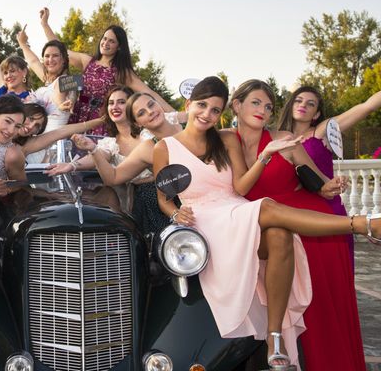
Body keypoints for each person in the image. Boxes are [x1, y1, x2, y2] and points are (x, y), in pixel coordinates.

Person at [153, 76, 379, 370]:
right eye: (202, 105)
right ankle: (360, 225)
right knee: (269, 209)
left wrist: (264, 157)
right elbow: (163, 197)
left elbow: (242, 188)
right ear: (188, 104)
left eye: (214, 109)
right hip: (205, 220)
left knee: (280, 237)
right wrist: (174, 213)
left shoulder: (225, 138)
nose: (207, 114)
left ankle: (275, 337)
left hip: (235, 208)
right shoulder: (164, 148)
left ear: (223, 112)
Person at [231, 79, 366, 371]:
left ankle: (321, 361)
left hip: (303, 217)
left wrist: (331, 186)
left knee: (317, 295)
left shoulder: (285, 138)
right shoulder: (225, 140)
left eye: (268, 106)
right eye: (256, 102)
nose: (263, 111)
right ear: (236, 105)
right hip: (254, 222)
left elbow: (319, 183)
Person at [278, 85, 381, 266]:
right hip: (293, 211)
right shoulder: (277, 137)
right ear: (291, 104)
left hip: (325, 208)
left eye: (311, 104)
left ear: (316, 114)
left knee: (330, 267)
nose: (303, 105)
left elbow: (367, 106)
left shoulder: (322, 131)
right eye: (299, 100)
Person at [39, 7, 177, 135]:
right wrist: (45, 24)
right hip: (78, 114)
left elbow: (149, 92)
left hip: (101, 119)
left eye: (111, 41)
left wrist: (176, 114)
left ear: (118, 47)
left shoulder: (122, 72)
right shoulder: (87, 61)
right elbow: (60, 49)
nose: (105, 43)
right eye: (104, 39)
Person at [69, 92, 182, 233]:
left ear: (159, 103)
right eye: (141, 113)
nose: (150, 112)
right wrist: (91, 150)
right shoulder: (146, 147)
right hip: (159, 202)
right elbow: (113, 177)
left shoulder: (186, 126)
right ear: (136, 121)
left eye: (151, 104)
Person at [45, 85, 153, 214]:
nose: (115, 107)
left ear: (132, 106)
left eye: (122, 102)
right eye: (111, 103)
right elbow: (96, 156)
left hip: (161, 193)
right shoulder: (111, 143)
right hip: (136, 202)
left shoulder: (148, 134)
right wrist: (71, 165)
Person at [0, 95, 103, 197]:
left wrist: (102, 120)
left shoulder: (22, 147)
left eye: (37, 126)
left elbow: (62, 132)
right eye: (30, 119)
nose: (31, 127)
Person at [17, 25, 74, 131]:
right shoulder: (48, 81)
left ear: (64, 60)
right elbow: (33, 62)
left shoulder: (69, 80)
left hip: (54, 139)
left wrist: (60, 104)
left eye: (55, 56)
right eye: (47, 56)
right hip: (39, 137)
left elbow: (60, 93)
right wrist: (22, 44)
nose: (50, 60)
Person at [0, 23, 36, 104]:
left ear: (24, 72)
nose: (8, 76)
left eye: (12, 71)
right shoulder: (2, 91)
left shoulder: (33, 98)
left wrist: (23, 43)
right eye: (5, 73)